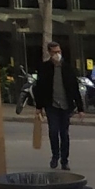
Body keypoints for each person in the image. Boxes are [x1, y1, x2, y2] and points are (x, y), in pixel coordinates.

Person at [30, 39, 77, 169]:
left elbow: (74, 87)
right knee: (53, 131)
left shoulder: (67, 67)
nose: (58, 54)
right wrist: (39, 107)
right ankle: (55, 156)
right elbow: (40, 88)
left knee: (64, 133)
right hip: (52, 105)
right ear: (50, 53)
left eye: (59, 51)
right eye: (55, 52)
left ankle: (64, 160)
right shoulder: (45, 68)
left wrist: (80, 107)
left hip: (66, 105)